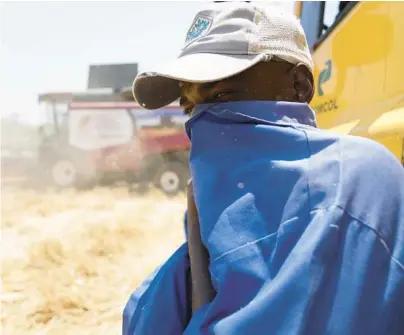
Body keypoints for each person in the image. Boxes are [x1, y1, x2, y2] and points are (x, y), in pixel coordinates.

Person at [123, 3, 404, 335]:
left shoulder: (359, 178)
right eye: (190, 109)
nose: (206, 121)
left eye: (223, 95)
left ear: (299, 86)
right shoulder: (207, 205)